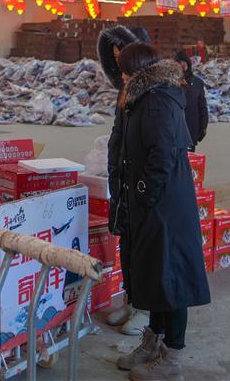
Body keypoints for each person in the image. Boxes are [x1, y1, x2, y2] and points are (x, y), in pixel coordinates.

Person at [111, 43, 210, 380]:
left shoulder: (160, 99)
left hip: (166, 203)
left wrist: (143, 192)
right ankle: (153, 340)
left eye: (123, 69)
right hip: (149, 202)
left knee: (172, 276)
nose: (120, 75)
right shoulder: (138, 97)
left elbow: (164, 154)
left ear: (137, 70)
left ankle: (172, 359)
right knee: (153, 273)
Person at [98, 25, 152, 334]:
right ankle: (132, 300)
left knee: (146, 248)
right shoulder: (126, 87)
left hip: (143, 184)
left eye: (124, 56)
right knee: (128, 245)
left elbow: (161, 149)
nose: (119, 63)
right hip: (124, 178)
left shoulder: (156, 92)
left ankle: (146, 309)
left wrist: (145, 187)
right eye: (114, 57)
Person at [174, 51, 209, 151]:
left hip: (191, 128)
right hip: (174, 130)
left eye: (184, 63)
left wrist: (203, 126)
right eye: (179, 63)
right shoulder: (171, 83)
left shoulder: (197, 83)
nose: (182, 66)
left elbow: (202, 107)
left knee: (189, 161)